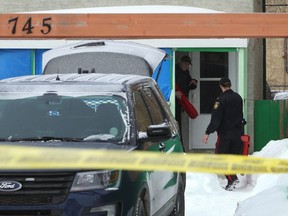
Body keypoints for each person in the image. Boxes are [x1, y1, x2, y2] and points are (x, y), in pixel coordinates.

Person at [201, 77, 244, 191]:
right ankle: (232, 179)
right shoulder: (238, 97)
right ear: (230, 85)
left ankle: (232, 178)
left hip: (225, 134)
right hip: (238, 132)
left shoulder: (220, 100)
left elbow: (216, 120)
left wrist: (207, 132)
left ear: (221, 86)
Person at [175, 55, 198, 132]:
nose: (186, 66)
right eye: (185, 63)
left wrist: (193, 82)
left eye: (188, 65)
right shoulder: (174, 70)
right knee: (175, 123)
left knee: (178, 122)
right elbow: (166, 84)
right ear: (181, 62)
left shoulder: (186, 71)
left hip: (182, 99)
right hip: (174, 100)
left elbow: (189, 83)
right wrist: (173, 93)